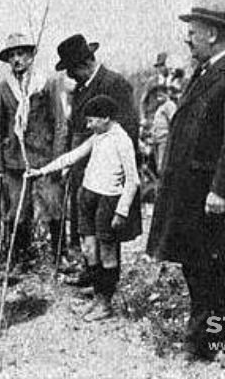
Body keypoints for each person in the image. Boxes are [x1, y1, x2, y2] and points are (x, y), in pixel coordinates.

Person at [145, 0, 225, 362]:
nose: (187, 39)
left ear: (212, 33)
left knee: (209, 268)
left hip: (211, 195)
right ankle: (215, 337)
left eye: (192, 32)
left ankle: (206, 343)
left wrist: (220, 190)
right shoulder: (207, 71)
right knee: (196, 266)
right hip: (190, 191)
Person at [27, 95, 140, 321]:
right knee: (90, 250)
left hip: (108, 200)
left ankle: (105, 303)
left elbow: (133, 180)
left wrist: (122, 211)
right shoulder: (98, 136)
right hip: (87, 196)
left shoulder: (122, 140)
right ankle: (97, 298)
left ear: (106, 118)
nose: (88, 125)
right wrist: (41, 171)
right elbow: (72, 156)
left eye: (91, 121)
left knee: (107, 251)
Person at [54, 33, 141, 287]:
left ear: (85, 64)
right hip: (84, 168)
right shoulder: (82, 88)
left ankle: (105, 287)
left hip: (107, 171)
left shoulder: (115, 84)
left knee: (106, 232)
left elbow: (128, 130)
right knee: (87, 228)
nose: (70, 77)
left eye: (72, 71)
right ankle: (91, 274)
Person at [0, 33, 68, 266]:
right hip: (15, 159)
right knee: (17, 211)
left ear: (30, 56)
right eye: (12, 55)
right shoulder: (4, 89)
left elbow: (60, 123)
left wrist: (58, 161)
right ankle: (20, 257)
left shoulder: (47, 83)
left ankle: (59, 254)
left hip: (45, 158)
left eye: (21, 54)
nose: (17, 59)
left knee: (53, 205)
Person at [150, 85, 178, 174]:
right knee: (158, 165)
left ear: (166, 94)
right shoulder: (160, 107)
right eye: (158, 96)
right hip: (157, 139)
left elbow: (173, 121)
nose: (159, 98)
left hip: (164, 139)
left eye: (161, 95)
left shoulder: (169, 105)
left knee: (162, 166)